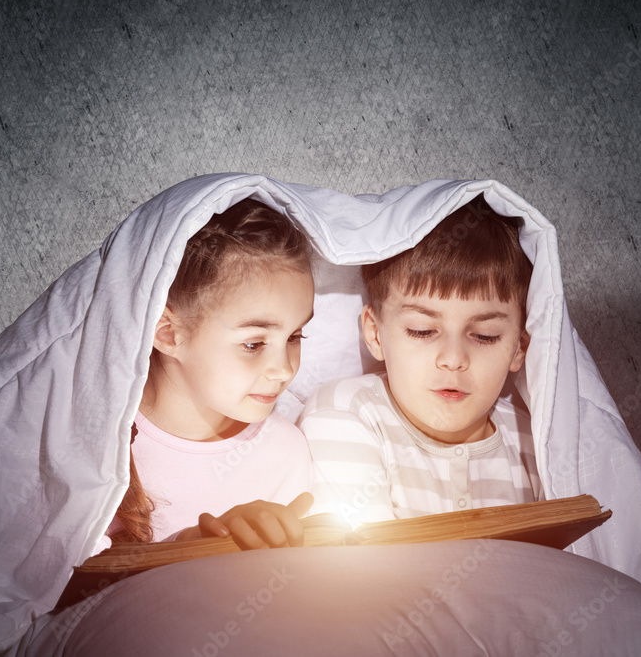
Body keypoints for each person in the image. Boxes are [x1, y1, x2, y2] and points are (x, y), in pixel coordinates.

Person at [299, 196, 542, 527]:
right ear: (374, 333)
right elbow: (361, 570)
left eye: (484, 335)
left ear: (519, 347)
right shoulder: (345, 413)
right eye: (422, 330)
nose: (453, 360)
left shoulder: (537, 438)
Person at [100, 198, 315, 553]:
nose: (285, 369)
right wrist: (187, 549)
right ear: (168, 332)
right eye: (254, 343)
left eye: (295, 337)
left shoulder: (286, 452)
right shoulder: (92, 443)